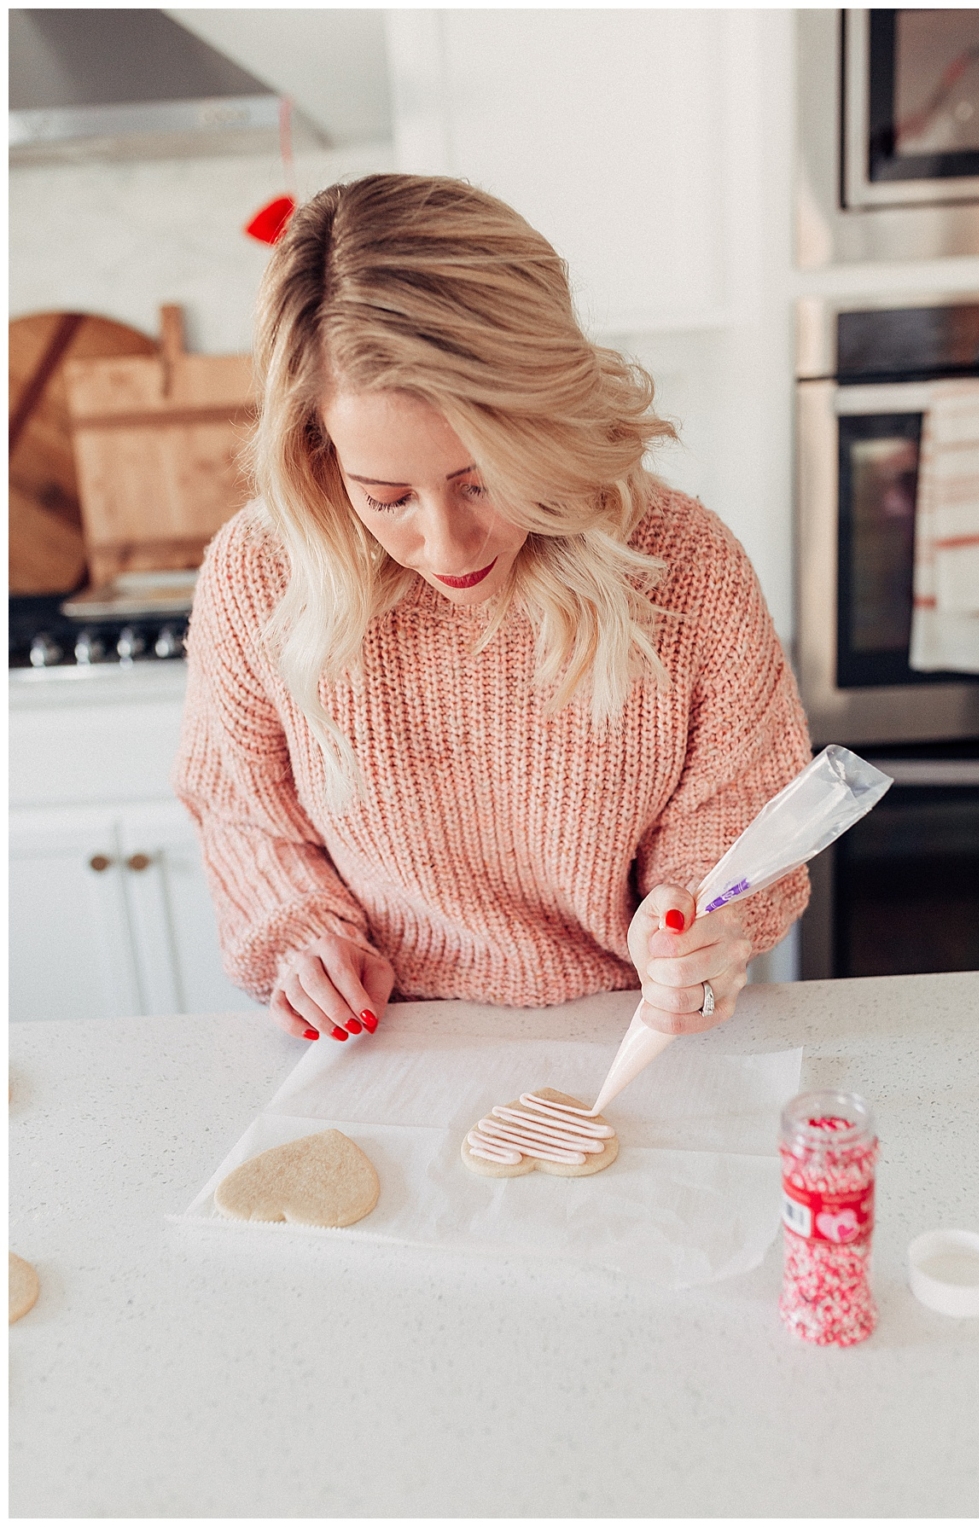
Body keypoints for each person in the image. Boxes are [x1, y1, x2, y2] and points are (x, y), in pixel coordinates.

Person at [175, 173, 811, 1047]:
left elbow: (739, 812)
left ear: (549, 425)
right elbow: (245, 813)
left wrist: (697, 913)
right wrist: (304, 936)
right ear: (320, 457)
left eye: (483, 481)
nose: (449, 546)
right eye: (388, 497)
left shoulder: (686, 565)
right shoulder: (260, 574)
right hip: (390, 1037)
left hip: (630, 1035)